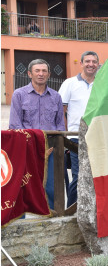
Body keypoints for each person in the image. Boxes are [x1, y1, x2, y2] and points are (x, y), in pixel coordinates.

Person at [9, 59, 65, 210]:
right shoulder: (19, 95)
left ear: (49, 74)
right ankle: (21, 222)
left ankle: (53, 219)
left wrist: (54, 146)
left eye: (44, 71)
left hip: (52, 149)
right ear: (29, 74)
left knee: (52, 188)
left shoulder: (56, 97)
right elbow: (15, 125)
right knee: (24, 187)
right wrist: (31, 146)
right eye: (37, 71)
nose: (41, 74)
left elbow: (60, 125)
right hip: (27, 149)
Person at [59, 50, 99, 208]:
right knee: (77, 176)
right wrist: (65, 136)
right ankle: (72, 211)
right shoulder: (69, 83)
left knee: (95, 176)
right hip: (75, 137)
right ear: (81, 63)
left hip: (97, 136)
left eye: (94, 62)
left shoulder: (101, 84)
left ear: (98, 64)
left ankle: (90, 210)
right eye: (87, 61)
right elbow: (61, 111)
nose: (91, 64)